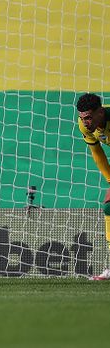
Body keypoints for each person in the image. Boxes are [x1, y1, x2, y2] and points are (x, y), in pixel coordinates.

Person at [75, 93, 110, 281]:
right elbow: (97, 152)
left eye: (88, 117)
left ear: (101, 113)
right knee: (109, 206)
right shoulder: (84, 126)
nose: (85, 122)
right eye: (82, 118)